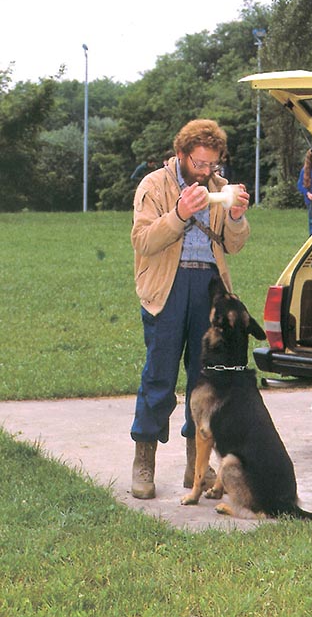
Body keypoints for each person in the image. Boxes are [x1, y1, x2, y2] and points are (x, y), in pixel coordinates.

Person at [129, 119, 251, 499]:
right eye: (199, 164)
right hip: (168, 287)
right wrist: (180, 214)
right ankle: (144, 459)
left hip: (208, 289)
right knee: (159, 375)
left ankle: (194, 465)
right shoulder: (153, 186)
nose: (206, 172)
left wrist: (235, 216)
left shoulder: (218, 187)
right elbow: (143, 241)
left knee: (204, 379)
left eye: (212, 165)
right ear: (180, 154)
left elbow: (234, 245)